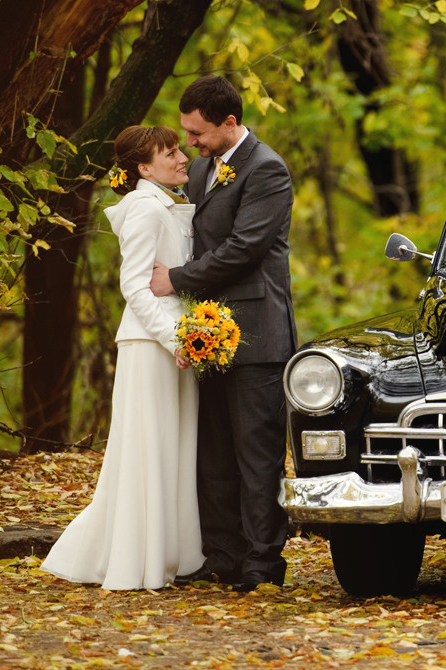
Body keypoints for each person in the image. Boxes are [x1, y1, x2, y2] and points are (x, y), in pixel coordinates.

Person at [149, 75, 297, 592]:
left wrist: (176, 280)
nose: (190, 143)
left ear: (229, 123)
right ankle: (223, 556)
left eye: (198, 133)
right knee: (210, 453)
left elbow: (244, 248)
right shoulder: (201, 169)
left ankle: (263, 564)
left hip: (257, 334)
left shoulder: (268, 170)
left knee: (255, 455)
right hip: (205, 332)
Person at [41, 125, 203, 590]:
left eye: (177, 149)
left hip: (175, 344)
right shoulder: (146, 212)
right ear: (143, 168)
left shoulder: (165, 205)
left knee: (172, 448)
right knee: (147, 450)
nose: (180, 157)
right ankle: (136, 559)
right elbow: (132, 285)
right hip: (152, 345)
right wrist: (176, 340)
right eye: (169, 153)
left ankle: (167, 555)